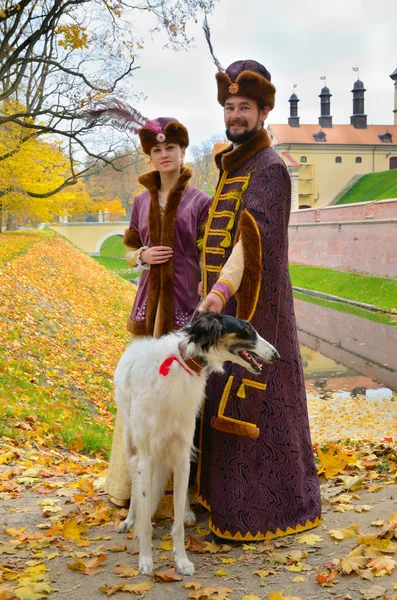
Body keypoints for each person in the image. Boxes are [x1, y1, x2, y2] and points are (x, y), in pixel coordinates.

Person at [196, 60, 321, 541]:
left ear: (264, 111)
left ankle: (262, 514)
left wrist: (221, 292)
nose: (235, 116)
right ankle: (221, 502)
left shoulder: (268, 169)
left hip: (254, 313)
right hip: (222, 309)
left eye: (244, 107)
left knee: (258, 407)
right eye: (229, 107)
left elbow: (254, 245)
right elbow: (214, 236)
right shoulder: (232, 164)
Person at [89, 112, 212, 505]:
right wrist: (141, 254)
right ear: (150, 155)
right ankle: (132, 487)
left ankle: (184, 493)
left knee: (182, 396)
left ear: (182, 150)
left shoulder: (201, 201)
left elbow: (211, 253)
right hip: (148, 307)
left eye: (170, 148)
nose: (164, 155)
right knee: (141, 395)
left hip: (186, 309)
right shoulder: (140, 201)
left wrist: (204, 284)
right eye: (157, 150)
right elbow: (127, 252)